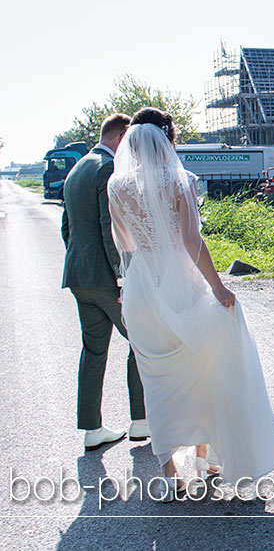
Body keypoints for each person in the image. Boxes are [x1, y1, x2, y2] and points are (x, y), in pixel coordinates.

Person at [108, 108, 274, 501]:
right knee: (203, 367)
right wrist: (219, 288)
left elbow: (126, 245)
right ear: (167, 138)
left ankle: (168, 473)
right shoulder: (180, 180)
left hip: (141, 290)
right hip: (180, 288)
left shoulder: (116, 186)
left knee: (156, 382)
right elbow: (191, 241)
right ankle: (204, 457)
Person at [60, 113, 148, 452]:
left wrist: (79, 262)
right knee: (140, 339)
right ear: (122, 135)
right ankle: (140, 422)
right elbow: (108, 229)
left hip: (79, 275)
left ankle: (92, 429)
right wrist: (122, 277)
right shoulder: (107, 169)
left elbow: (67, 227)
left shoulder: (78, 167)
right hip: (107, 278)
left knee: (94, 350)